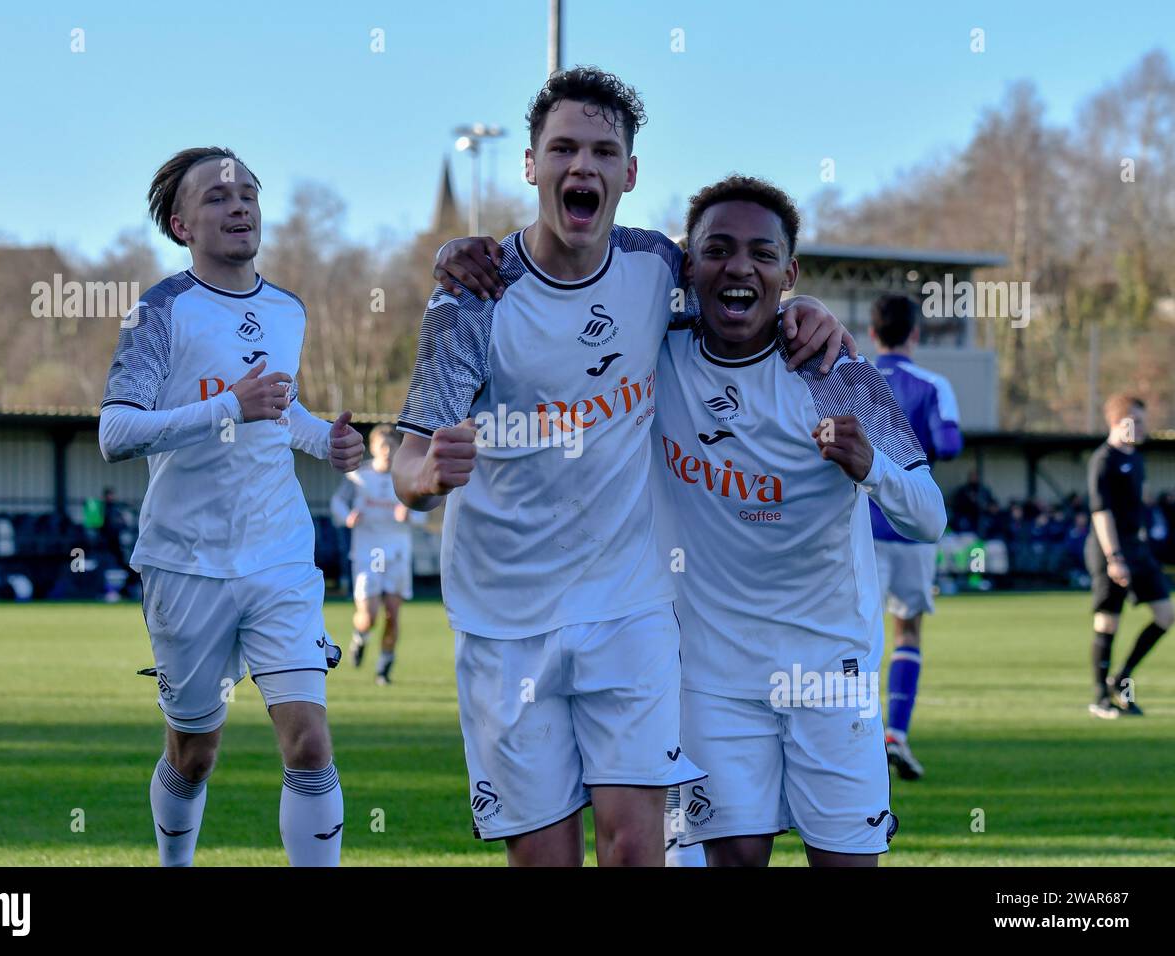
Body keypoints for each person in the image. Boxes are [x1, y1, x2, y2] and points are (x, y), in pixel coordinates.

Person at [402, 67, 852, 867]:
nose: (585, 167)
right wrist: (428, 473)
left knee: (637, 848)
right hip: (506, 618)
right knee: (545, 860)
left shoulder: (654, 267)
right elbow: (408, 460)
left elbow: (738, 281)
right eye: (564, 148)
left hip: (629, 605)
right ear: (530, 165)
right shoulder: (472, 298)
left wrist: (803, 307)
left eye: (604, 151)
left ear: (629, 174)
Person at [653, 176, 945, 866]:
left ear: (790, 272)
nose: (739, 267)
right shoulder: (655, 351)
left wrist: (871, 466)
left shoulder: (835, 371)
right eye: (718, 249)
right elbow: (584, 273)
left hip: (828, 672)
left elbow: (929, 515)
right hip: (712, 678)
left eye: (762, 253)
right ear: (688, 265)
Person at [99, 146, 364, 866]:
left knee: (308, 741)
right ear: (182, 224)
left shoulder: (288, 310)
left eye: (248, 192)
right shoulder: (160, 311)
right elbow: (115, 431)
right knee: (194, 753)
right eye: (218, 198)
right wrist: (226, 406)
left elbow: (281, 413)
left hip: (279, 554)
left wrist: (328, 442)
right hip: (185, 563)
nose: (239, 204)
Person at [868, 294, 963, 779]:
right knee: (907, 629)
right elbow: (949, 443)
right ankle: (896, 735)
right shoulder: (932, 384)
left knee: (854, 634)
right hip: (909, 527)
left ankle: (852, 739)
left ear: (871, 332)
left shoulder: (849, 376)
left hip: (856, 527)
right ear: (915, 334)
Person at [1086, 394, 1172, 718]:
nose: (1140, 427)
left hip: (1138, 550)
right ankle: (1100, 698)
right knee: (1108, 622)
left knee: (1165, 616)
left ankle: (1121, 678)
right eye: (1133, 420)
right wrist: (1114, 557)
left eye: (1141, 420)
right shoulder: (1103, 460)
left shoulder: (1136, 458)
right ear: (1115, 422)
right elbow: (1100, 512)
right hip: (1111, 551)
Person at [331, 425, 425, 685]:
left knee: (392, 614)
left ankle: (384, 667)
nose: (386, 451)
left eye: (391, 446)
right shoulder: (359, 477)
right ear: (372, 449)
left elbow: (422, 509)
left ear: (397, 449)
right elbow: (338, 503)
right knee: (369, 615)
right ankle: (360, 637)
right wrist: (346, 517)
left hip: (397, 551)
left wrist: (411, 516)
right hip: (366, 552)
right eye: (381, 446)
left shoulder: (405, 477)